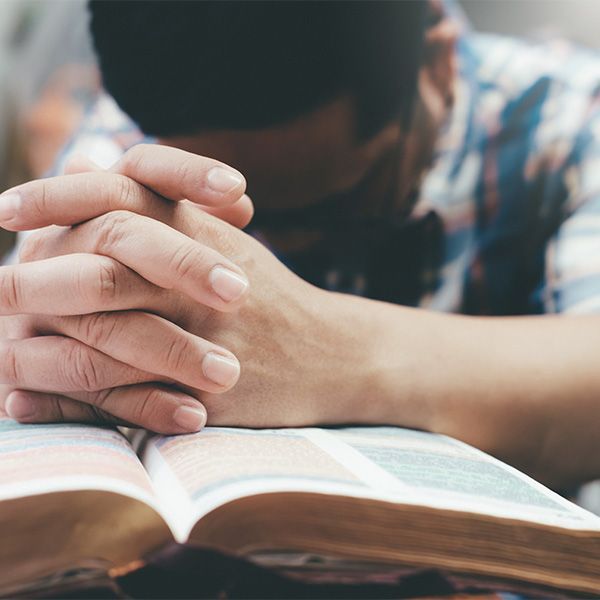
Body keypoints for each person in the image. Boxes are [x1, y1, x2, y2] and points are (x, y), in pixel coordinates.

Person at [0, 0, 599, 490]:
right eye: (243, 204)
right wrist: (44, 334)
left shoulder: (571, 120)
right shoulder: (139, 125)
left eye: (333, 204)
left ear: (438, 64)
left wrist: (324, 348)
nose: (283, 239)